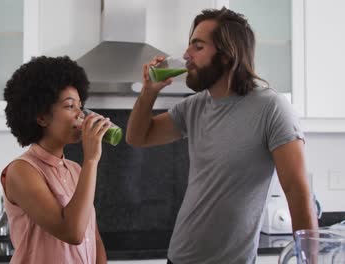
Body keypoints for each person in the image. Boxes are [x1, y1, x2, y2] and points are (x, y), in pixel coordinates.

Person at [126, 7, 318, 264]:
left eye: (198, 46)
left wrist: (310, 261)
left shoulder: (271, 108)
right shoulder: (194, 106)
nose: (186, 55)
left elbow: (297, 191)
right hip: (179, 257)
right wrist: (149, 92)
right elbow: (137, 137)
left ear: (227, 55)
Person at [1, 56, 108, 263]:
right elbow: (72, 232)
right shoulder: (21, 171)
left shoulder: (76, 170)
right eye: (69, 106)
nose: (81, 114)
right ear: (41, 117)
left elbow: (92, 237)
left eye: (80, 105)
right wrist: (92, 160)